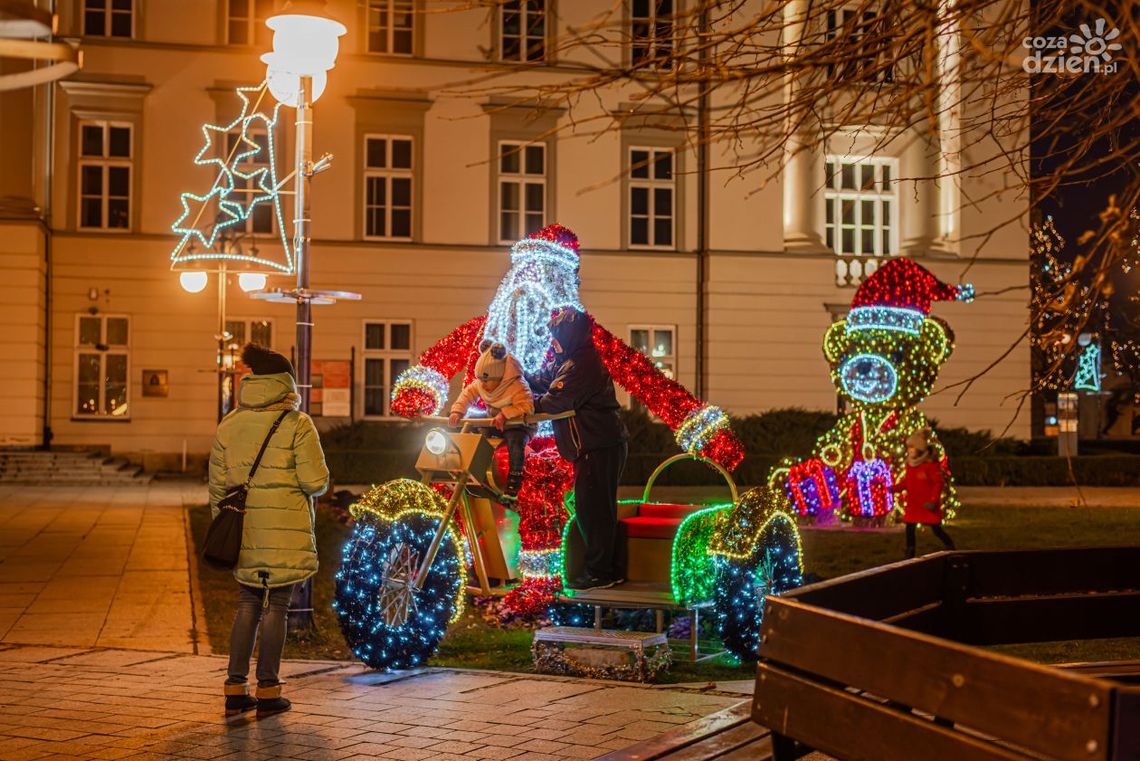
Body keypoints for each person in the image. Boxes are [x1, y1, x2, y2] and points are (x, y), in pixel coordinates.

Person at [209, 344, 329, 717]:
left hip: (244, 530)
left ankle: (234, 687)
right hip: (286, 531)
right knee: (276, 605)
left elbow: (216, 489)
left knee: (247, 604)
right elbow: (315, 481)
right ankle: (268, 689)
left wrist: (227, 526)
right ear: (285, 383)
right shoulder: (297, 423)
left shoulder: (229, 425)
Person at [529, 307, 629, 591]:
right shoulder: (569, 360)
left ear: (569, 335)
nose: (553, 343)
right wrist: (516, 376)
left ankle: (600, 572)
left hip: (599, 445)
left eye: (557, 337)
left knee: (594, 509)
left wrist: (522, 404)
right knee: (594, 507)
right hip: (597, 445)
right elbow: (541, 379)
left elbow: (555, 401)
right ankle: (604, 568)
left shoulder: (581, 365)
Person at [448, 340, 534, 499]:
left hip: (518, 425)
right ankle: (462, 467)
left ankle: (513, 483)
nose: (484, 385)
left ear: (500, 377)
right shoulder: (482, 382)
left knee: (515, 444)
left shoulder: (517, 385)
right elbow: (467, 394)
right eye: (481, 380)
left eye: (487, 380)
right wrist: (457, 411)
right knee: (471, 422)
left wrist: (505, 414)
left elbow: (526, 406)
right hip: (493, 419)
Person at [894, 428, 955, 559]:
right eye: (909, 448)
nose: (910, 451)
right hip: (914, 503)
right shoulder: (910, 464)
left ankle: (950, 546)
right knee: (909, 528)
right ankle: (910, 551)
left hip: (927, 504)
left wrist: (933, 501)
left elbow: (937, 483)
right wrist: (894, 488)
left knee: (936, 529)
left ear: (920, 450)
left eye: (912, 448)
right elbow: (907, 482)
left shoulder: (929, 465)